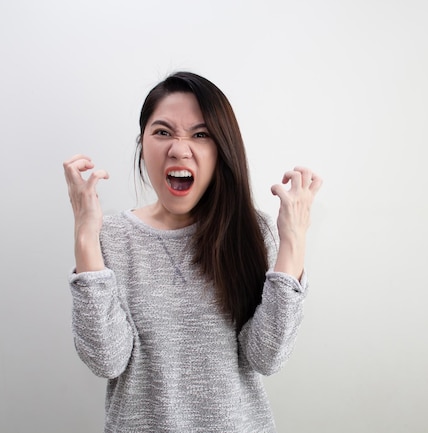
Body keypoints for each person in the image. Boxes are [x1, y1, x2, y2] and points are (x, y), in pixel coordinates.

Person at [63, 71, 322, 433]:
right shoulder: (111, 237)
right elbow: (107, 359)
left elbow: (267, 356)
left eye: (200, 135)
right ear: (142, 144)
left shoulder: (253, 232)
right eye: (163, 132)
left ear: (221, 150)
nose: (179, 149)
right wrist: (85, 236)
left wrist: (293, 240)